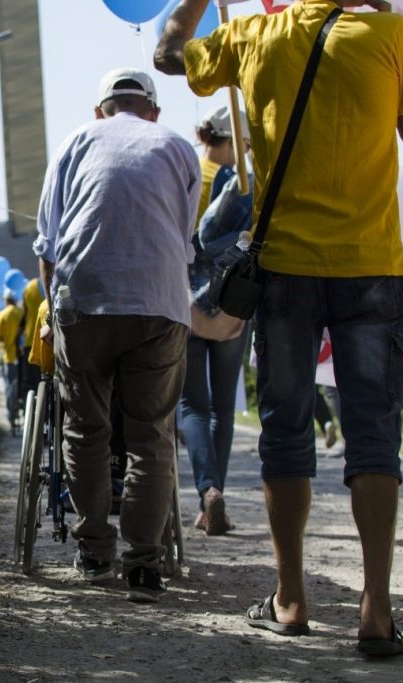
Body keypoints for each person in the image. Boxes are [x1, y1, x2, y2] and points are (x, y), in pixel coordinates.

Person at [156, 0, 403, 655]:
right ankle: (375, 610)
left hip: (284, 268)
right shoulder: (388, 33)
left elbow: (169, 54)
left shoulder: (257, 34)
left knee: (285, 431)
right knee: (374, 430)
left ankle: (289, 599)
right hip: (371, 264)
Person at [35, 68, 200, 601]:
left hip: (87, 299)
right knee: (150, 435)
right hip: (160, 305)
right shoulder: (178, 147)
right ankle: (145, 566)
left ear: (100, 108)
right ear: (152, 110)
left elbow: (49, 245)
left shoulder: (75, 142)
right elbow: (183, 237)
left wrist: (57, 310)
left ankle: (94, 552)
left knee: (86, 429)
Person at [180, 106, 253, 536]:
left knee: (192, 404)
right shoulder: (243, 183)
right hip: (231, 301)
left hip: (186, 300)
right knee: (223, 406)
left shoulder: (188, 171)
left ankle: (207, 492)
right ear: (233, 140)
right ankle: (215, 500)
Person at [0, 288, 24, 436]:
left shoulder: (0, 315)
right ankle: (24, 408)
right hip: (22, 355)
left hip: (8, 358)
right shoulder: (21, 313)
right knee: (23, 385)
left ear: (5, 300)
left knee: (9, 387)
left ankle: (11, 415)